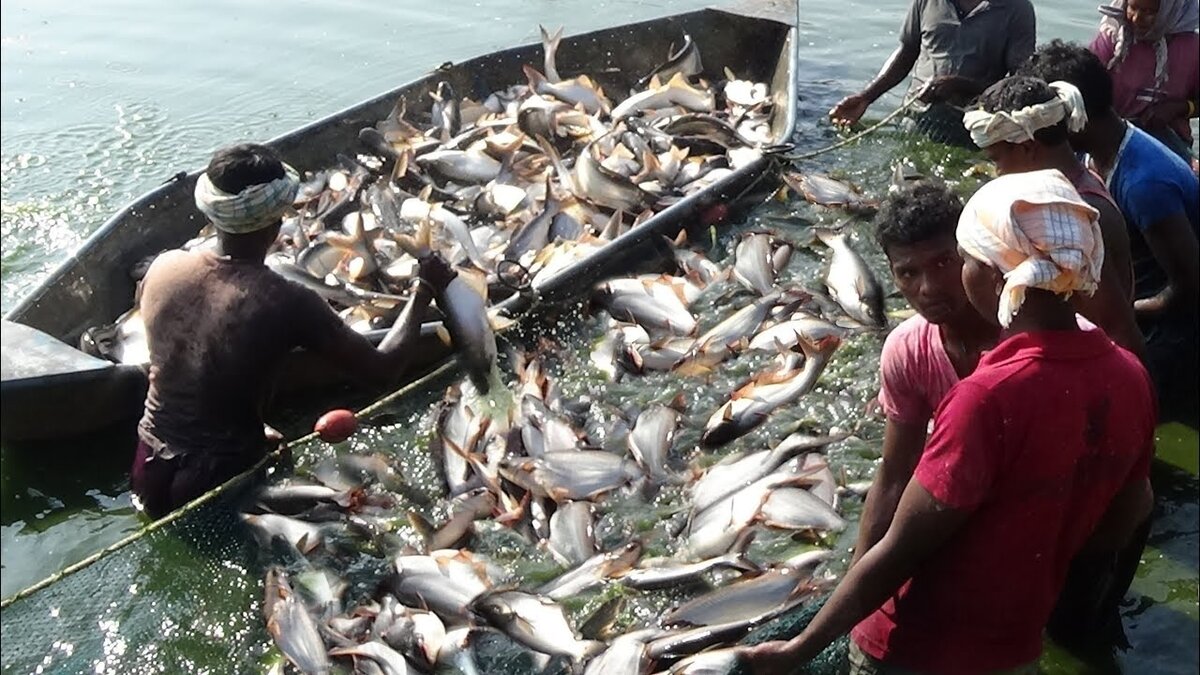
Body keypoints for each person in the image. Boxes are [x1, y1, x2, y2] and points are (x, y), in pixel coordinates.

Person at [739, 169, 1156, 675]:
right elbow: (1131, 510)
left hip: (914, 646)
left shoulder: (985, 395)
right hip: (1013, 645)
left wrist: (800, 648)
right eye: (908, 272)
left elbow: (903, 548)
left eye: (961, 262)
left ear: (999, 273)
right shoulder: (1129, 372)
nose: (937, 285)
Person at [132, 143, 454, 519]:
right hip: (219, 479)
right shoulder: (283, 299)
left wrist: (257, 428)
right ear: (278, 217)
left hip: (147, 468)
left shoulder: (163, 267)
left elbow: (189, 362)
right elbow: (383, 370)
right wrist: (424, 290)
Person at [1020, 40, 1199, 417]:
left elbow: (1188, 287)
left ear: (1068, 116)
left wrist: (1117, 311)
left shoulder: (1144, 182)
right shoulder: (1095, 149)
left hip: (1176, 329)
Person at [965, 75, 1147, 359]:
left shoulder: (1073, 212)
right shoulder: (1072, 188)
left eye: (996, 159)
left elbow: (1118, 329)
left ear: (1027, 148)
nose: (998, 172)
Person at [828, 0, 1036, 147]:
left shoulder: (1016, 9)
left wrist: (961, 86)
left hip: (976, 129)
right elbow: (907, 51)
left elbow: (1020, 81)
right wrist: (866, 97)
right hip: (917, 119)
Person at [1089, 0, 1199, 160]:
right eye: (1133, 8)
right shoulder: (1113, 38)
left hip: (1168, 145)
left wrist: (1179, 108)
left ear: (1169, 11)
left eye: (1149, 12)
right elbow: (1084, 87)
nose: (1136, 18)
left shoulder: (1192, 49)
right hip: (1111, 139)